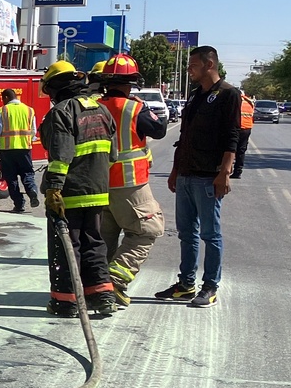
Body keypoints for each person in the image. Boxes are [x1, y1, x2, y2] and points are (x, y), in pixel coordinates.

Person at [156, 45, 239, 308]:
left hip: (208, 176)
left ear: (209, 65)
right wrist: (175, 169)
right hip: (186, 174)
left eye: (193, 65)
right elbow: (184, 136)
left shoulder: (228, 95)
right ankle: (186, 284)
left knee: (210, 234)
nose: (188, 69)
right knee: (186, 233)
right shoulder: (195, 96)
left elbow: (232, 138)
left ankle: (210, 287)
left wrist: (224, 173)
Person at [38, 61, 118, 318]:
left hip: (70, 193)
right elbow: (113, 155)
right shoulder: (103, 111)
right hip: (98, 191)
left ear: (57, 89)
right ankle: (103, 295)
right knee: (94, 242)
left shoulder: (61, 112)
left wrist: (53, 189)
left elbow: (61, 155)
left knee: (66, 246)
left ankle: (66, 302)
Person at [94, 54, 167, 309]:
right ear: (131, 84)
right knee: (147, 230)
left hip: (98, 184)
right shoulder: (134, 108)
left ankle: (97, 287)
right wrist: (143, 107)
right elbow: (159, 130)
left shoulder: (93, 106)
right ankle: (114, 281)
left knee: (105, 238)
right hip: (130, 184)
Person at [0, 88, 41, 213]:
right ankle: (32, 190)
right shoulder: (29, 110)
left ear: (6, 97)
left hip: (8, 150)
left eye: (2, 99)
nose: (2, 101)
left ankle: (19, 204)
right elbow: (33, 131)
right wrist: (28, 140)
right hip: (24, 149)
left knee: (11, 178)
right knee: (27, 173)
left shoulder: (3, 110)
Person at [232, 91, 253, 178]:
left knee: (231, 148)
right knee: (241, 151)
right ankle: (238, 172)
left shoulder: (235, 100)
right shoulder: (249, 102)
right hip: (247, 128)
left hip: (236, 127)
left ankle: (227, 169)